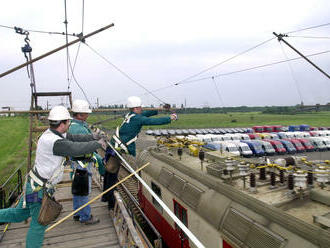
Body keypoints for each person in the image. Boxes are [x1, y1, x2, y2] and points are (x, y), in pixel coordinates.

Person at [0, 105, 107, 248]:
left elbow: (75, 138)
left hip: (34, 185)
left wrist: (92, 136)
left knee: (19, 214)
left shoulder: (53, 133)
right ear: (62, 123)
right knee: (39, 225)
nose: (69, 124)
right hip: (38, 190)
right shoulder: (55, 142)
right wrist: (97, 144)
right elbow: (75, 149)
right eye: (68, 122)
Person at [102, 96, 177, 210]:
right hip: (117, 150)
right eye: (140, 107)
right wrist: (170, 118)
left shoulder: (130, 115)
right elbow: (153, 121)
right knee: (112, 173)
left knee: (110, 173)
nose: (142, 109)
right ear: (136, 108)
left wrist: (159, 109)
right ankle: (110, 201)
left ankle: (108, 195)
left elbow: (146, 114)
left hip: (114, 147)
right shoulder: (137, 119)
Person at [68, 99, 105, 224]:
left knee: (78, 189)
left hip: (76, 162)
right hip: (82, 163)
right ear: (80, 114)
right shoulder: (80, 129)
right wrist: (98, 143)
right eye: (86, 113)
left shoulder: (74, 126)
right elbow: (90, 146)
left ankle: (77, 213)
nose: (88, 115)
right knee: (84, 190)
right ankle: (85, 216)